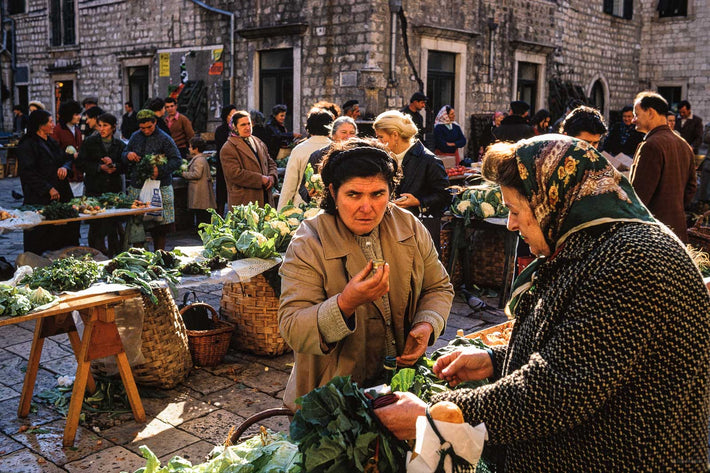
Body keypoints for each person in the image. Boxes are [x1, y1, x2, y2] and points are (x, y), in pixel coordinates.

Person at [375, 135, 710, 471]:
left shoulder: (634, 260)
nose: (511, 223)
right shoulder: (588, 244)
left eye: (516, 210)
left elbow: (559, 389)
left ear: (552, 200)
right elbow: (588, 349)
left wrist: (436, 414)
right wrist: (494, 359)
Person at [278, 138, 454, 411]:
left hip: (398, 388)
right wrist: (345, 303)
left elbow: (438, 287)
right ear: (334, 192)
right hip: (330, 399)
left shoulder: (408, 225)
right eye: (353, 195)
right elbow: (292, 327)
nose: (367, 207)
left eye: (378, 194)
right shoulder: (308, 242)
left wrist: (426, 324)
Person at [373, 110, 451, 253]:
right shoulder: (383, 158)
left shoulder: (429, 160)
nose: (378, 141)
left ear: (395, 135)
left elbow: (445, 196)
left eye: (380, 137)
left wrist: (418, 201)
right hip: (389, 229)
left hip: (418, 231)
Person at [630, 91, 696, 242]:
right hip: (677, 230)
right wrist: (674, 207)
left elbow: (639, 196)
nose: (633, 120)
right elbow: (691, 188)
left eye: (636, 114)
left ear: (651, 113)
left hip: (654, 235)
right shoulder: (683, 144)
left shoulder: (651, 145)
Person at [18, 110, 79, 254]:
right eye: (50, 122)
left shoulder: (51, 141)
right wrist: (47, 188)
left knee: (61, 234)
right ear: (40, 125)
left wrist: (64, 167)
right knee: (40, 235)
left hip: (60, 194)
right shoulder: (27, 144)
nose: (53, 125)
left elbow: (65, 159)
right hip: (39, 196)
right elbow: (28, 172)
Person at [122, 109, 181, 251]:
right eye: (143, 128)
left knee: (160, 225)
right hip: (138, 185)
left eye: (149, 127)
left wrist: (159, 170)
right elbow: (123, 154)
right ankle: (139, 254)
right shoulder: (135, 137)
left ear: (155, 123)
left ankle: (159, 254)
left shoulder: (165, 138)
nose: (146, 131)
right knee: (137, 221)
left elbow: (177, 160)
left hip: (160, 186)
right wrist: (128, 155)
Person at [78, 113, 125, 256]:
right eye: (100, 125)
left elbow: (126, 166)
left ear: (113, 127)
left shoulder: (120, 145)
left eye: (105, 125)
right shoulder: (90, 142)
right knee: (96, 226)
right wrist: (99, 168)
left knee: (113, 226)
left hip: (113, 190)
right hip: (95, 189)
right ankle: (96, 255)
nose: (102, 129)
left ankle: (114, 255)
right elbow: (81, 163)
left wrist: (114, 166)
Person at [220, 110, 278, 208]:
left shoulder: (257, 141)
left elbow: (270, 162)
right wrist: (260, 179)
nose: (247, 127)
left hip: (265, 198)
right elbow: (235, 174)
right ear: (234, 127)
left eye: (249, 124)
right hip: (245, 201)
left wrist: (272, 176)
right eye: (243, 125)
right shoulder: (228, 147)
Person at [278, 107, 334, 210]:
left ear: (308, 127)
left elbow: (289, 186)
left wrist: (281, 212)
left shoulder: (299, 150)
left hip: (301, 207)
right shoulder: (335, 148)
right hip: (328, 208)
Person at [302, 116, 358, 204]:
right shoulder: (318, 155)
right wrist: (310, 194)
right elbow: (303, 187)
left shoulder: (359, 156)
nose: (348, 137)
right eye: (343, 132)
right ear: (333, 135)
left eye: (352, 133)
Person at [51, 100, 84, 197]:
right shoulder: (57, 130)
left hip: (78, 174)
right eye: (76, 114)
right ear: (68, 115)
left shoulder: (77, 130)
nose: (79, 117)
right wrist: (70, 156)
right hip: (65, 176)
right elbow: (54, 152)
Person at [182, 136, 216, 227]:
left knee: (202, 213)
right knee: (202, 213)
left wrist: (184, 174)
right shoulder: (200, 158)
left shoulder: (199, 160)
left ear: (195, 149)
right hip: (200, 190)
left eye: (190, 146)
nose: (189, 149)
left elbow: (197, 174)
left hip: (199, 191)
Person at [214, 105, 237, 216]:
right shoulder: (220, 130)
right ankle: (219, 217)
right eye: (231, 115)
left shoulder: (237, 129)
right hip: (223, 166)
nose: (233, 117)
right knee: (221, 194)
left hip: (236, 166)